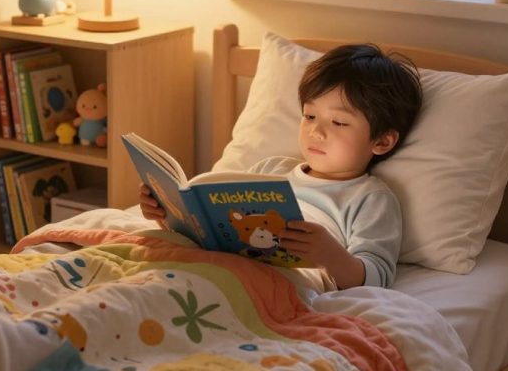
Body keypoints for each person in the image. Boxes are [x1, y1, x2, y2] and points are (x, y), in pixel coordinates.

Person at [140, 42, 423, 290]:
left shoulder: (370, 198)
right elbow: (217, 230)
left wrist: (328, 254)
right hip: (218, 264)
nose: (316, 132)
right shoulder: (271, 168)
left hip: (285, 280)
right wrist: (168, 213)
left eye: (338, 122)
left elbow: (377, 278)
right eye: (310, 116)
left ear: (382, 141)